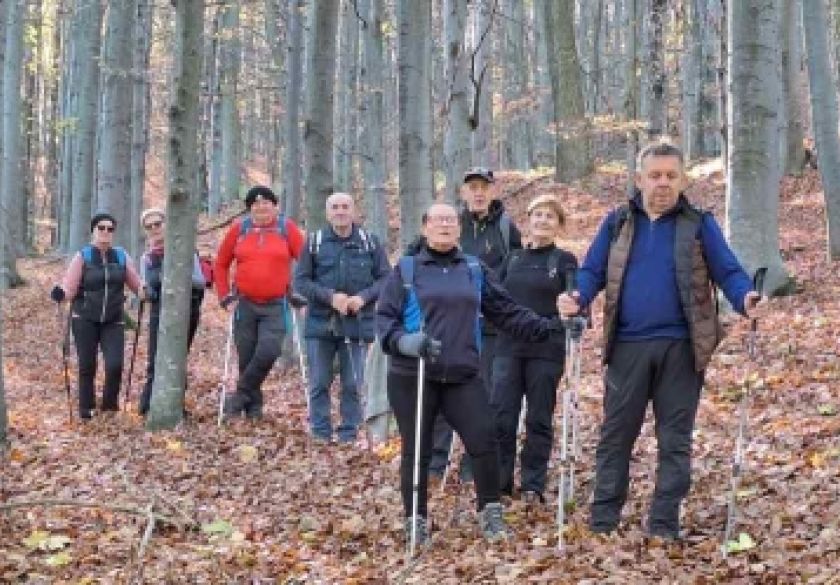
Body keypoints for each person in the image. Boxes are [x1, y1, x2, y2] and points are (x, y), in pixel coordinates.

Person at [557, 141, 768, 540]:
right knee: (616, 437)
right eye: (654, 175)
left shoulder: (699, 223)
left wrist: (746, 298)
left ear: (683, 178)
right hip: (627, 347)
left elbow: (729, 271)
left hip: (682, 349)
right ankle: (603, 522)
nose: (663, 183)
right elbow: (592, 271)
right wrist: (577, 297)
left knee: (674, 441)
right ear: (638, 179)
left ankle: (664, 525)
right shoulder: (617, 222)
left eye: (671, 175)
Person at [377, 202, 564, 545]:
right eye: (438, 220)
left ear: (458, 227)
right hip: (413, 375)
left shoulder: (474, 270)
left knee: (483, 439)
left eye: (451, 220)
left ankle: (490, 511)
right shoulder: (406, 270)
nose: (445, 225)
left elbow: (507, 312)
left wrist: (552, 327)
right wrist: (407, 342)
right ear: (425, 227)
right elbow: (385, 323)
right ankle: (415, 519)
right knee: (416, 449)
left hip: (462, 375)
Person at [429, 167, 522, 481]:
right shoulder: (451, 227)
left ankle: (475, 467)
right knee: (442, 392)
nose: (479, 193)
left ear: (493, 191)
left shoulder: (507, 230)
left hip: (493, 329)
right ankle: (434, 466)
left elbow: (515, 274)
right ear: (463, 193)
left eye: (484, 187)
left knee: (484, 397)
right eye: (473, 188)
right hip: (451, 325)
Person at [493, 194, 578, 504]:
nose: (542, 220)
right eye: (537, 214)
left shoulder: (564, 261)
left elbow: (575, 302)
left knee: (538, 418)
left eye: (550, 216)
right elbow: (495, 300)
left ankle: (533, 484)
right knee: (502, 416)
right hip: (507, 348)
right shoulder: (512, 259)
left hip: (546, 348)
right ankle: (500, 483)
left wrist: (566, 322)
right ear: (528, 220)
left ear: (559, 225)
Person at [294, 193, 391, 443]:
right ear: (327, 213)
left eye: (345, 207)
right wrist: (329, 297)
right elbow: (301, 281)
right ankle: (320, 433)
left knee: (353, 383)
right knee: (318, 382)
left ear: (353, 211)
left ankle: (349, 433)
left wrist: (363, 298)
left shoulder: (370, 242)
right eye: (335, 207)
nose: (340, 211)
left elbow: (386, 279)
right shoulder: (314, 242)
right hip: (320, 322)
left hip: (357, 322)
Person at [214, 185, 305, 420]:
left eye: (266, 203)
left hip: (276, 304)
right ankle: (253, 410)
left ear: (275, 206)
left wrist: (299, 292)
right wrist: (224, 296)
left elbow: (305, 262)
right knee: (246, 357)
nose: (261, 207)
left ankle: (237, 398)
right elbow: (221, 263)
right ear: (249, 208)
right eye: (255, 204)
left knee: (268, 351)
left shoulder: (287, 229)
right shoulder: (239, 229)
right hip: (244, 303)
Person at [50, 212, 145, 419]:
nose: (105, 232)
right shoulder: (83, 256)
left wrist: (145, 291)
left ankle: (110, 407)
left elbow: (136, 283)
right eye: (101, 228)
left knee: (115, 365)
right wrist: (61, 294)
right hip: (84, 318)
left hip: (113, 319)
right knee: (87, 365)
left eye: (110, 229)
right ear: (93, 231)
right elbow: (69, 287)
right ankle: (86, 409)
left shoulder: (121, 256)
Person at [137, 208, 208, 416]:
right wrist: (144, 292)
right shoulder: (147, 259)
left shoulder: (185, 250)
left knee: (177, 357)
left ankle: (175, 404)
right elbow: (147, 288)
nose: (154, 229)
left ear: (166, 224)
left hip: (187, 309)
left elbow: (201, 282)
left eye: (157, 224)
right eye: (149, 227)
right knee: (154, 359)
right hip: (159, 312)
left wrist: (175, 275)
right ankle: (148, 405)